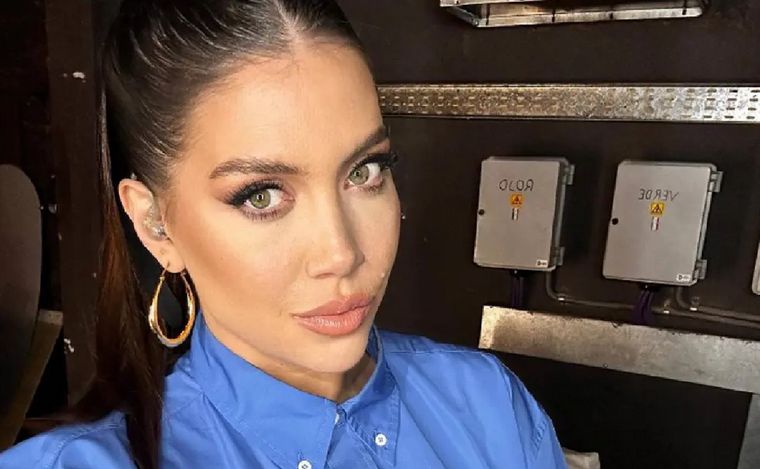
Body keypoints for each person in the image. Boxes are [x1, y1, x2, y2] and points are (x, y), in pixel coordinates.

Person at [0, 1, 567, 468]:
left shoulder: (485, 405)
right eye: (262, 196)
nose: (341, 253)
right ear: (156, 224)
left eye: (364, 172)